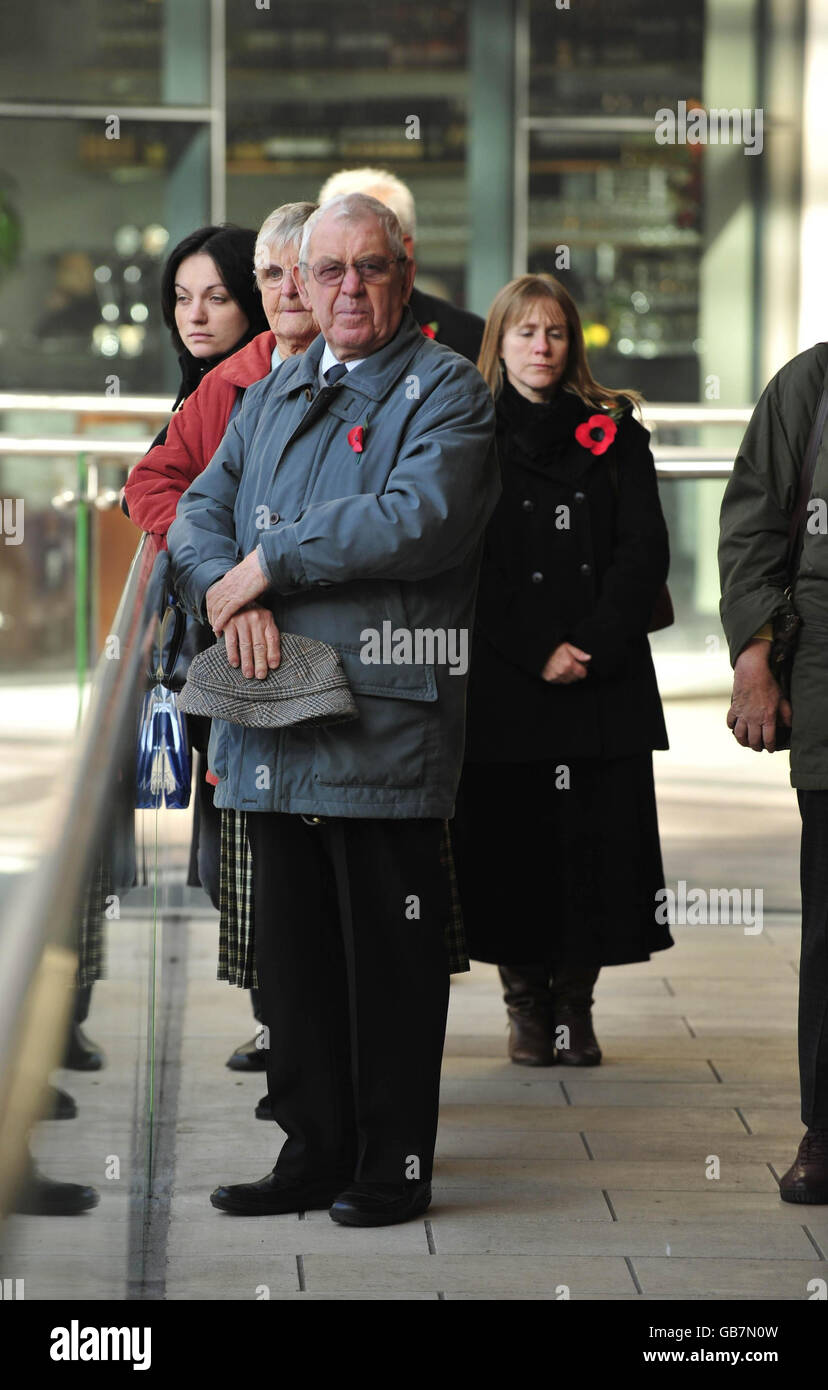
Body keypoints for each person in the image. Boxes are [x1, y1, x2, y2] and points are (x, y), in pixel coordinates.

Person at [168, 192, 499, 1226]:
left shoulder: (448, 390)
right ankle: (309, 1154)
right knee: (296, 960)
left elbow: (417, 520)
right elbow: (196, 507)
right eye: (329, 270)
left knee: (388, 959)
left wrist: (270, 563)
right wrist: (228, 586)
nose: (348, 288)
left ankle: (389, 1168)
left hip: (379, 716)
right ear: (299, 284)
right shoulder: (271, 391)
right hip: (270, 704)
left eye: (370, 268)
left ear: (404, 275)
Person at [450, 273, 673, 1068]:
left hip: (601, 679)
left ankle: (575, 1008)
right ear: (499, 343)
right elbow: (469, 558)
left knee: (594, 849)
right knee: (513, 849)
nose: (541, 347)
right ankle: (526, 1010)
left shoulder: (615, 433)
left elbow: (644, 550)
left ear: (571, 343)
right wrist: (538, 644)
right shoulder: (466, 429)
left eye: (554, 333)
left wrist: (595, 643)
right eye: (524, 333)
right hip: (510, 678)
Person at [125, 203, 319, 1090]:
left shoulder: (341, 376)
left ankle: (309, 1034)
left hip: (324, 652)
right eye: (180, 298)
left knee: (296, 857)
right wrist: (216, 573)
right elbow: (159, 486)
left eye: (216, 296)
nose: (195, 314)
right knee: (234, 849)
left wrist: (251, 565)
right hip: (221, 653)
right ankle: (287, 1025)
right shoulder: (223, 389)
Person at [719, 340, 828, 1204]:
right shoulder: (812, 382)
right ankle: (826, 1129)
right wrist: (755, 659)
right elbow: (753, 526)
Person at [317, 167, 484, 362]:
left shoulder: (470, 340)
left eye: (366, 257)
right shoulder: (291, 332)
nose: (350, 285)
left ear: (404, 248)